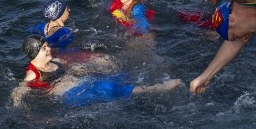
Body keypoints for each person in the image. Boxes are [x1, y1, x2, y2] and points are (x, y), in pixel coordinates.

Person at [11, 35, 181, 107]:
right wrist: (22, 108)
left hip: (79, 82)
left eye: (47, 46)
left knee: (120, 74)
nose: (48, 49)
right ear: (34, 53)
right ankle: (157, 88)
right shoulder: (33, 73)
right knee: (107, 87)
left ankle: (138, 84)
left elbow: (73, 64)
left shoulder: (54, 60)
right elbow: (19, 91)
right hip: (69, 95)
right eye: (43, 48)